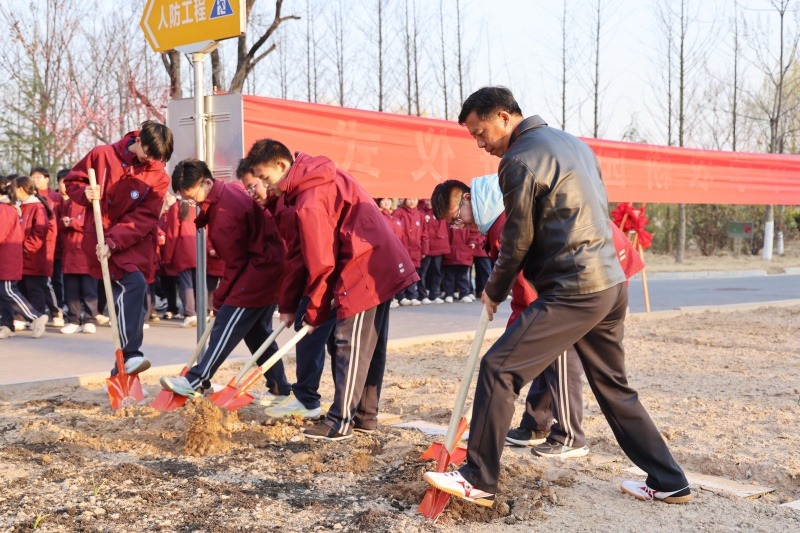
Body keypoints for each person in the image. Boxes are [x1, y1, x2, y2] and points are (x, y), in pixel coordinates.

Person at [423, 86, 691, 506]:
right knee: (614, 386)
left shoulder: (518, 160)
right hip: (608, 282)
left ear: (505, 117)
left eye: (481, 131)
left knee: (498, 368)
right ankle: (669, 479)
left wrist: (493, 290)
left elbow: (518, 238)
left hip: (575, 287)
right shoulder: (572, 143)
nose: (480, 143)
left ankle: (478, 477)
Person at [245, 138, 419, 441]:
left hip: (366, 267)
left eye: (264, 178)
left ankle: (340, 421)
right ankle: (365, 416)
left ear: (282, 166)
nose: (264, 185)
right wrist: (289, 306)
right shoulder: (307, 184)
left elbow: (320, 262)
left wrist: (313, 311)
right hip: (372, 261)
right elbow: (300, 254)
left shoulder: (310, 199)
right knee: (367, 345)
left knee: (348, 344)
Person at [431, 176, 589, 459]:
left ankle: (570, 436)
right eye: (452, 223)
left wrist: (515, 335)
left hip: (584, 276)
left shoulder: (506, 219)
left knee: (557, 349)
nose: (459, 226)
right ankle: (536, 424)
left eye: (456, 217)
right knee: (542, 348)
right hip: (561, 284)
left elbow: (530, 293)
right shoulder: (496, 218)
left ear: (467, 199)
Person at [160, 159, 292, 402]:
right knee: (257, 333)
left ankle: (196, 379)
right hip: (266, 265)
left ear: (207, 182)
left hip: (262, 269)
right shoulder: (225, 196)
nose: (193, 204)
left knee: (226, 321)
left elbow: (235, 263)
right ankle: (280, 388)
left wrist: (220, 299)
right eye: (187, 200)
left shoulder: (226, 210)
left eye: (193, 197)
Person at [64, 120, 174, 377]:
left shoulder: (158, 174)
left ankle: (126, 361)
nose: (153, 161)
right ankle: (128, 357)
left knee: (135, 285)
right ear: (139, 142)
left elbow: (145, 218)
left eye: (159, 158)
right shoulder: (102, 154)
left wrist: (115, 241)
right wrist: (85, 192)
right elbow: (73, 181)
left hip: (131, 240)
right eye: (150, 154)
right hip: (100, 236)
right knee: (132, 285)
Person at [238, 158, 337, 419]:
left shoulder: (295, 203)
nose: (254, 192)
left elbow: (302, 256)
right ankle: (309, 397)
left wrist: (300, 304)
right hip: (314, 274)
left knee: (316, 335)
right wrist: (289, 305)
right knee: (313, 336)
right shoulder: (280, 204)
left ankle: (311, 400)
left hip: (328, 275)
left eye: (257, 184)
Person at [0, 182, 48, 339]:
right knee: (3, 293)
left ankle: (35, 317)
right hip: (5, 259)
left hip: (6, 259)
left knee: (8, 291)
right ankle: (6, 324)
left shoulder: (4, 209)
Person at [59, 184, 99, 334]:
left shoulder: (93, 202)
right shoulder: (68, 203)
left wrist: (74, 223)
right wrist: (64, 222)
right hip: (70, 253)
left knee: (90, 289)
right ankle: (74, 319)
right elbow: (59, 224)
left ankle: (89, 319)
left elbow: (96, 225)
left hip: (86, 252)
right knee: (71, 289)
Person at [31, 166, 65, 327]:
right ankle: (40, 310)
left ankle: (56, 310)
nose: (35, 180)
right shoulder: (31, 197)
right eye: (33, 177)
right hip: (36, 245)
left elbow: (58, 221)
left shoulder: (55, 197)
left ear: (47, 179)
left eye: (39, 177)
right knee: (36, 280)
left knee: (53, 280)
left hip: (53, 244)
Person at [161, 198, 198, 328]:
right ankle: (202, 311)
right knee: (198, 282)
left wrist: (168, 257)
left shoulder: (177, 207)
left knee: (186, 283)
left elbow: (172, 234)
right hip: (199, 247)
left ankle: (190, 314)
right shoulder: (199, 205)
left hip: (183, 249)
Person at [392, 198, 428, 306]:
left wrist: (424, 249)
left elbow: (424, 234)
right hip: (403, 249)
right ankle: (401, 296)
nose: (412, 201)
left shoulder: (420, 215)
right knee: (402, 273)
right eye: (409, 199)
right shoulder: (399, 213)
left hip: (416, 250)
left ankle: (411, 295)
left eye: (414, 199)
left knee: (414, 273)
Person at [418, 199, 449, 304]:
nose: (429, 202)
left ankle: (435, 293)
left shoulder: (440, 211)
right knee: (423, 272)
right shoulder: (420, 212)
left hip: (438, 247)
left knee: (437, 271)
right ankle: (423, 294)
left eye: (431, 200)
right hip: (425, 247)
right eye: (427, 200)